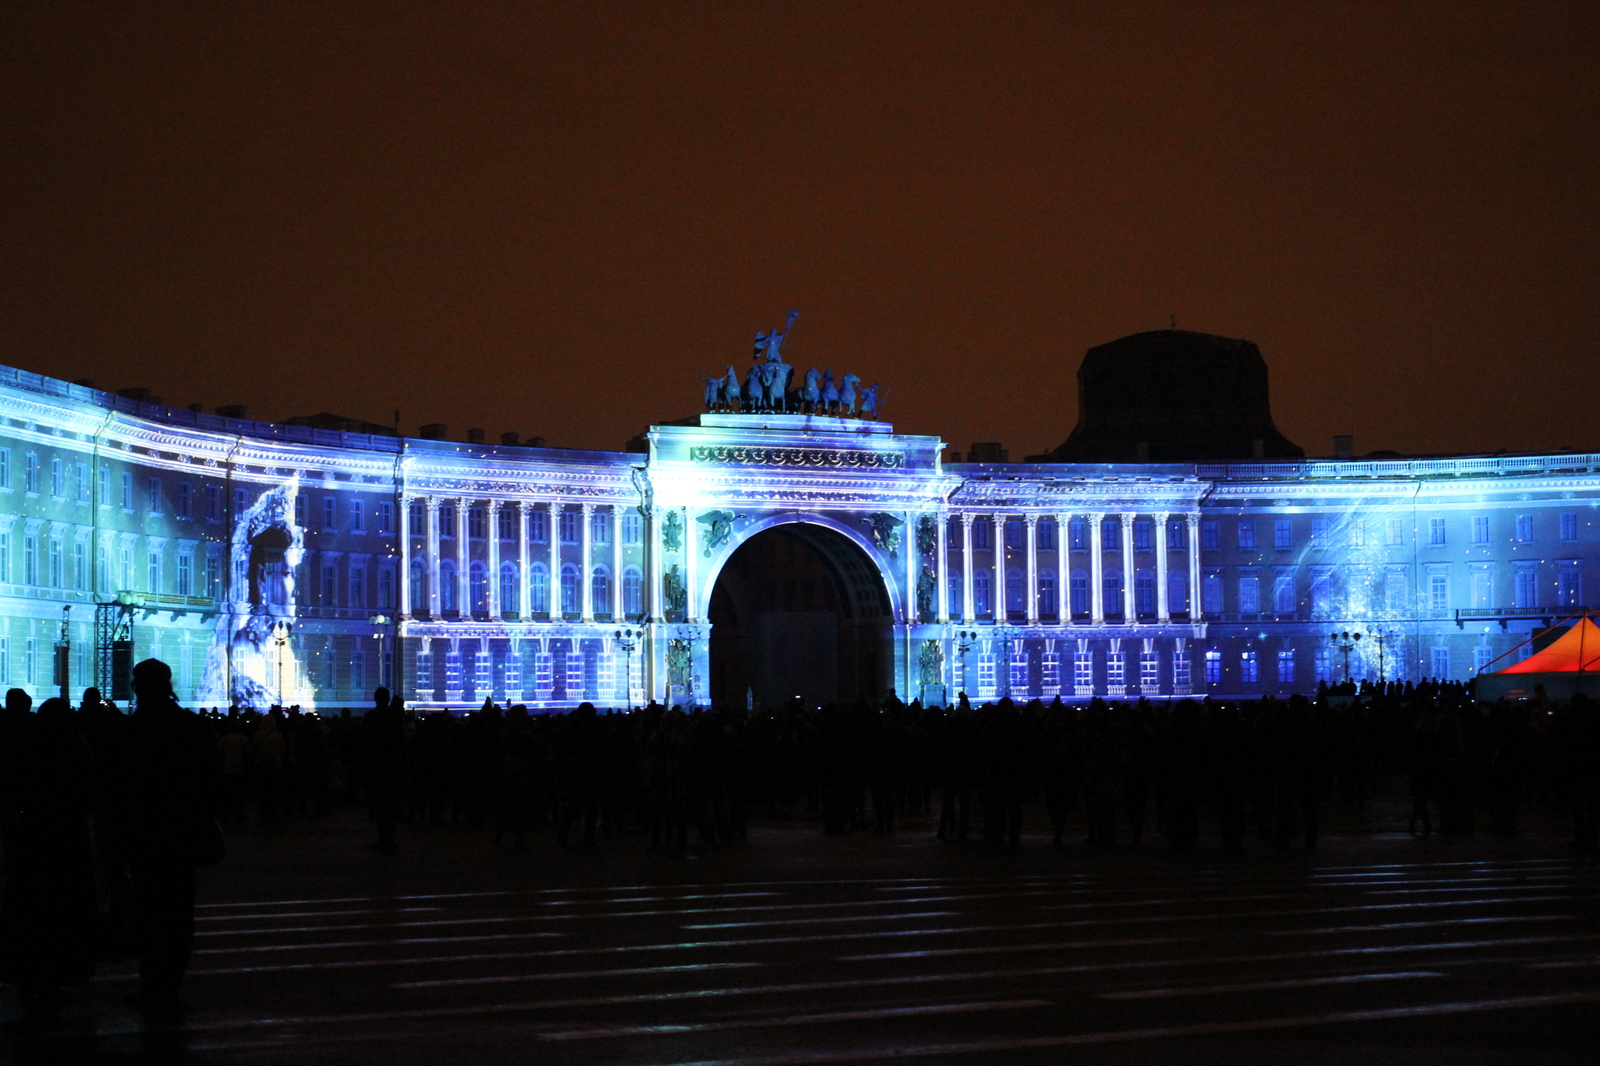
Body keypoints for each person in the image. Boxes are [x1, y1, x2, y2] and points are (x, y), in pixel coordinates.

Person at [122, 658, 218, 1019]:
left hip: (147, 836)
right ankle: (172, 984)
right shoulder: (191, 726)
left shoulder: (136, 728)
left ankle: (152, 985)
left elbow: (122, 787)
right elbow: (210, 780)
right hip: (182, 836)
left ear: (139, 687)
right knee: (178, 914)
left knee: (149, 913)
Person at [0, 697, 97, 1026]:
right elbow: (90, 790)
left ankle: (28, 976)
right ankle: (56, 977)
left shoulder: (27, 743)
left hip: (31, 836)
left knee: (29, 909)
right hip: (68, 838)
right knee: (64, 910)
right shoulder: (75, 745)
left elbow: (12, 787)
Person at [363, 688, 407, 853]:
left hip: (377, 766)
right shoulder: (395, 717)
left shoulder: (371, 717)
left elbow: (366, 744)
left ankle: (384, 837)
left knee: (381, 804)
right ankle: (389, 837)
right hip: (392, 765)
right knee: (390, 803)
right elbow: (401, 742)